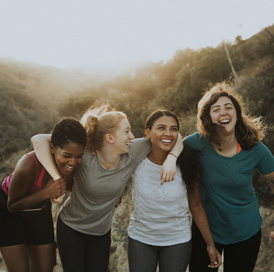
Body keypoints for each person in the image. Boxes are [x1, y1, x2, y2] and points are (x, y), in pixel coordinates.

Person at [31, 105, 182, 272]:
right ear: (110, 138)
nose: (132, 136)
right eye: (126, 131)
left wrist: (171, 159)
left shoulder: (133, 151)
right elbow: (38, 139)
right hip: (70, 227)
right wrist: (57, 178)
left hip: (100, 233)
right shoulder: (86, 153)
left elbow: (176, 137)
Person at [184, 82, 274, 272]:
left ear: (237, 113)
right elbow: (169, 145)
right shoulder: (195, 144)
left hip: (246, 231)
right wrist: (171, 160)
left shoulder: (254, 147)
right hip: (205, 230)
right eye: (216, 109)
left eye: (229, 107)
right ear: (208, 117)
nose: (224, 112)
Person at [127, 110, 222, 272]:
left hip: (177, 240)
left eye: (174, 129)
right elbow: (112, 167)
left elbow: (196, 206)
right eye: (161, 128)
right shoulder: (136, 156)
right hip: (140, 238)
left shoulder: (188, 163)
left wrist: (210, 244)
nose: (168, 133)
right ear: (148, 133)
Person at [0, 117, 87, 272]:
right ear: (52, 148)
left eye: (78, 156)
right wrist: (46, 192)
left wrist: (111, 195)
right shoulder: (28, 165)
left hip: (39, 210)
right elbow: (12, 206)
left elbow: (78, 186)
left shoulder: (73, 165)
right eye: (67, 155)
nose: (73, 162)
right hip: (8, 211)